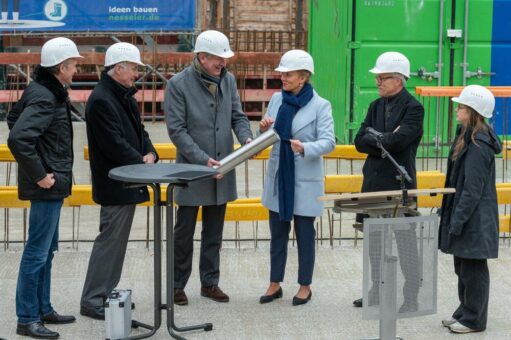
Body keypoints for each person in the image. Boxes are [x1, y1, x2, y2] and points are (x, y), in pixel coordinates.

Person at [164, 30, 253, 305]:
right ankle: (177, 285)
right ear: (202, 57)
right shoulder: (178, 85)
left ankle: (209, 283)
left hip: (222, 168)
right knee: (184, 232)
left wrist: (247, 137)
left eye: (225, 59)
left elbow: (237, 116)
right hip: (194, 171)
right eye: (218, 59)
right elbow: (177, 131)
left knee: (214, 231)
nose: (223, 63)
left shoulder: (228, 80)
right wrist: (203, 160)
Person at [7, 37, 82, 339]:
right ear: (61, 67)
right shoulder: (45, 97)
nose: (77, 69)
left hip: (52, 182)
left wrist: (43, 154)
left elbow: (14, 119)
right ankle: (27, 318)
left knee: (47, 250)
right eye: (75, 65)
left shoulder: (44, 91)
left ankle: (42, 308)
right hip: (46, 185)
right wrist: (41, 173)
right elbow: (18, 138)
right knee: (37, 252)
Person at [80, 42, 158, 320]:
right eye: (134, 68)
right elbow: (113, 144)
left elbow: (139, 131)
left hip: (127, 180)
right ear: (119, 68)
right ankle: (92, 299)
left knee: (116, 243)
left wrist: (150, 151)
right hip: (115, 184)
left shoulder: (122, 96)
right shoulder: (102, 99)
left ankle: (104, 293)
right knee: (110, 242)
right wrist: (141, 160)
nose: (137, 73)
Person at [258, 50, 335, 306]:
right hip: (280, 178)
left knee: (304, 234)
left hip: (304, 179)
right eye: (282, 73)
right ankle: (274, 283)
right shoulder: (277, 99)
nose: (282, 77)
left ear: (303, 77)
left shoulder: (321, 105)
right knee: (277, 234)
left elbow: (328, 142)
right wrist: (264, 128)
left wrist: (306, 148)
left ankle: (305, 285)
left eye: (287, 73)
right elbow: (269, 137)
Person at [353, 51, 424, 310]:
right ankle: (377, 289)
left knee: (406, 244)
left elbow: (399, 141)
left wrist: (377, 137)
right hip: (373, 184)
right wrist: (382, 138)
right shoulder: (375, 106)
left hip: (399, 186)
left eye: (383, 78)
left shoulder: (413, 108)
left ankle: (411, 297)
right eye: (378, 78)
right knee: (375, 243)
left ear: (399, 79)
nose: (378, 82)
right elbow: (359, 141)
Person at [439, 85, 500, 334]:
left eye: (461, 106)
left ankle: (474, 319)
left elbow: (472, 190)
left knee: (473, 270)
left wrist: (457, 220)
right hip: (466, 217)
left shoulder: (478, 145)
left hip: (475, 220)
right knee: (462, 267)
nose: (457, 109)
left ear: (473, 111)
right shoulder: (467, 136)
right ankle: (465, 312)